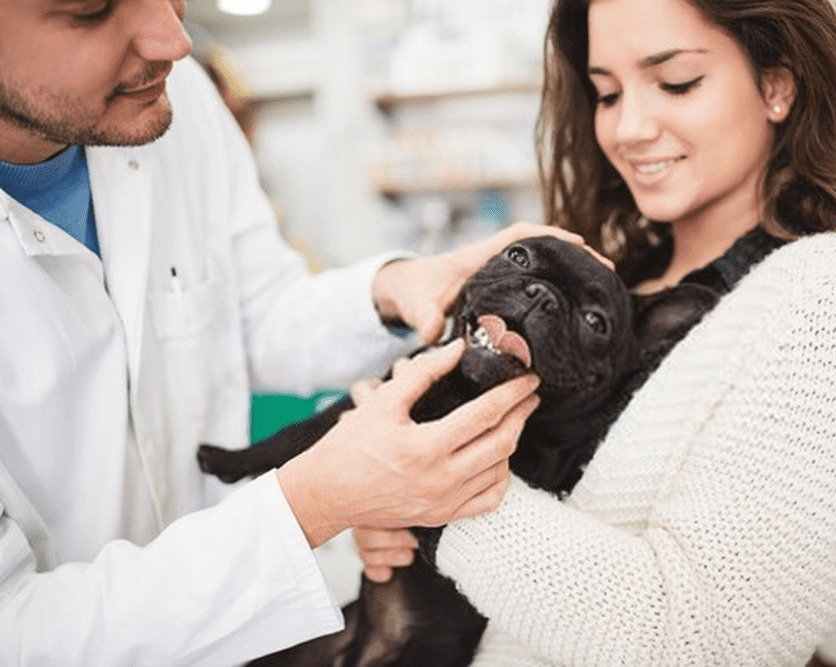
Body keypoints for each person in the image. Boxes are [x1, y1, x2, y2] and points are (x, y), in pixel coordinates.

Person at [353, 0, 836, 665]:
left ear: (776, 85)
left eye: (676, 82)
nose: (628, 127)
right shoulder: (611, 276)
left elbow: (704, 640)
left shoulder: (830, 292)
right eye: (607, 93)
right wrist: (395, 521)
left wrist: (430, 497)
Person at [0, 1, 600, 664]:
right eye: (90, 11)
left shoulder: (177, 95)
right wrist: (317, 500)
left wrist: (394, 287)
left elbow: (254, 311)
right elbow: (15, 629)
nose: (173, 39)